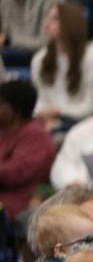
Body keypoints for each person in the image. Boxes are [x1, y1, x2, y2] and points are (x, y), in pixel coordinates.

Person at [31, 2, 93, 133]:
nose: (47, 22)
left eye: (55, 19)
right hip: (49, 120)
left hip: (84, 121)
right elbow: (40, 98)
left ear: (70, 23)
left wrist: (59, 113)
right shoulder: (40, 58)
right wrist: (44, 114)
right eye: (47, 17)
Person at [0, 79, 55, 215]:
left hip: (19, 201)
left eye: (1, 104)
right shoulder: (4, 130)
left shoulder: (36, 135)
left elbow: (15, 173)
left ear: (16, 108)